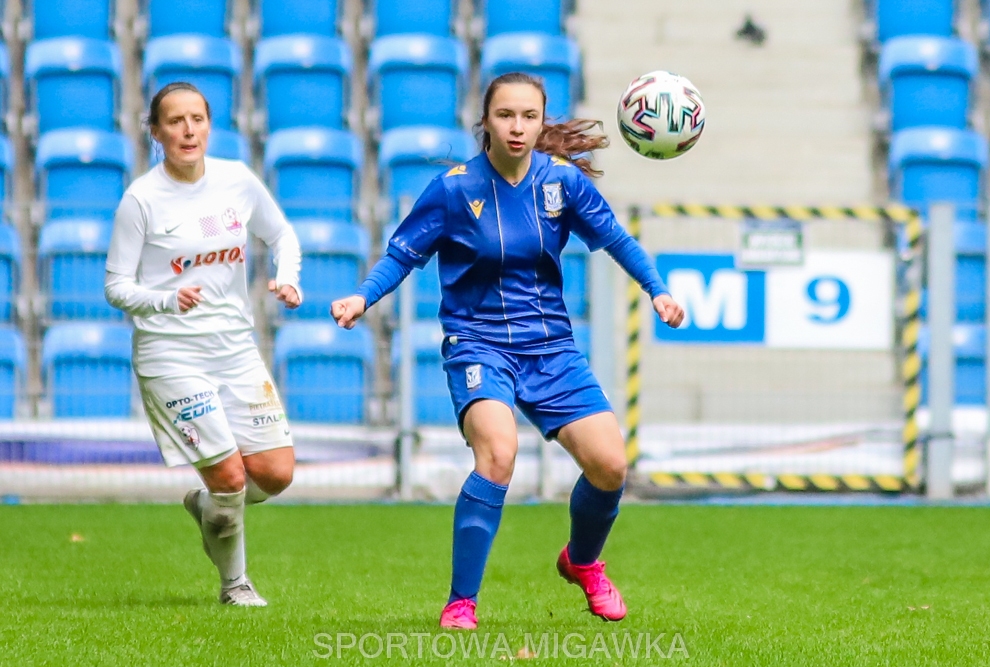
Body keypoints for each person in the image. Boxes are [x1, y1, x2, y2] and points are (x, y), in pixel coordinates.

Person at [331, 72, 685, 629]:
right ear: (485, 122)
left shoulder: (562, 182)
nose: (517, 127)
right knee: (498, 453)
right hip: (478, 343)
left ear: (541, 122)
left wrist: (657, 289)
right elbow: (402, 254)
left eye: (528, 116)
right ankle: (461, 602)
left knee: (611, 466)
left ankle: (583, 562)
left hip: (551, 347)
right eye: (505, 115)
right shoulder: (453, 190)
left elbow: (616, 238)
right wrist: (362, 296)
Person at [105, 82, 303, 607]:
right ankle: (235, 585)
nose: (188, 130)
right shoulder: (141, 199)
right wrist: (166, 300)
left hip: (234, 348)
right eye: (175, 121)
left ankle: (209, 505)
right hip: (170, 352)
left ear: (210, 125)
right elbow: (116, 286)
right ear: (156, 132)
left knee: (275, 474)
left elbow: (282, 235)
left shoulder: (236, 179)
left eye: (197, 119)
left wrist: (288, 278)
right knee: (231, 477)